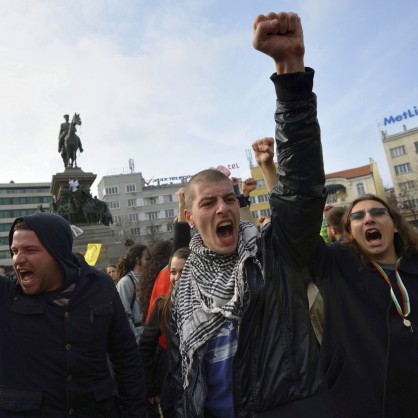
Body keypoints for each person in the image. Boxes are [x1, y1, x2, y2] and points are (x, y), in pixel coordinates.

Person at [168, 12, 336, 417]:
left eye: (228, 198)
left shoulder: (274, 254)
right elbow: (180, 379)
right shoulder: (183, 290)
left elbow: (299, 190)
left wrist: (290, 74)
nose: (224, 207)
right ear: (190, 218)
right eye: (208, 203)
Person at [1, 212, 146, 417]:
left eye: (30, 250)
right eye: (14, 251)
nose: (18, 259)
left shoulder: (100, 285)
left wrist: (135, 412)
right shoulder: (6, 295)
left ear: (58, 252)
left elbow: (125, 356)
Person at [309, 194, 418, 418]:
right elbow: (297, 233)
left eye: (377, 212)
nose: (368, 219)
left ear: (395, 225)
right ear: (350, 232)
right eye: (358, 216)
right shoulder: (336, 265)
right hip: (360, 402)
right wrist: (270, 169)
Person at [140, 247, 191, 418]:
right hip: (174, 389)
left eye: (183, 271)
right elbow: (145, 347)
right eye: (173, 272)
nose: (176, 278)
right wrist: (151, 387)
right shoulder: (162, 306)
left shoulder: (210, 304)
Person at [116, 244, 148, 344]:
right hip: (138, 340)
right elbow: (125, 315)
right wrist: (136, 340)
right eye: (146, 258)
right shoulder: (125, 282)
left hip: (149, 338)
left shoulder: (147, 279)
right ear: (138, 260)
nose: (149, 261)